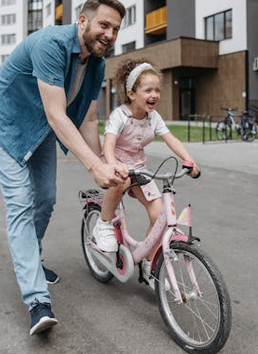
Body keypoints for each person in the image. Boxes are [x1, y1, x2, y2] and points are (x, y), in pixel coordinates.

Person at [0, 0, 127, 336]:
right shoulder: (52, 44)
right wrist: (93, 168)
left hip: (41, 126)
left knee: (45, 197)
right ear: (83, 19)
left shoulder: (98, 64)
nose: (109, 34)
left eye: (115, 29)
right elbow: (58, 114)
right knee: (20, 201)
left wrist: (106, 164)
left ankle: (33, 259)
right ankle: (37, 302)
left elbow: (88, 119)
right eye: (104, 25)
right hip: (5, 120)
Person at [92, 58, 200, 288]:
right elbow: (109, 143)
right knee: (119, 183)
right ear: (132, 94)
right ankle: (103, 223)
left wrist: (188, 160)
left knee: (159, 214)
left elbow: (171, 138)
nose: (155, 94)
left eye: (157, 90)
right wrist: (113, 165)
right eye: (148, 90)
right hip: (117, 162)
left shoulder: (154, 117)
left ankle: (149, 261)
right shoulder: (120, 115)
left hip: (139, 167)